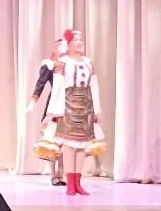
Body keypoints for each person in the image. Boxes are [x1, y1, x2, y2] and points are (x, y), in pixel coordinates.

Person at [34, 29, 106, 196]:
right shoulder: (63, 62)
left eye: (81, 40)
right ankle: (70, 184)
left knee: (81, 146)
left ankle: (78, 183)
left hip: (85, 105)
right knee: (68, 146)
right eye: (76, 40)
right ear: (69, 44)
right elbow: (58, 88)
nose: (80, 43)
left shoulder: (88, 62)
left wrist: (96, 109)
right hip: (68, 105)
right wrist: (53, 112)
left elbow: (94, 86)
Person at [28, 35, 68, 186]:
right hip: (55, 104)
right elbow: (40, 84)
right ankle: (53, 174)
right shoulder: (49, 65)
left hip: (68, 104)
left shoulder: (70, 65)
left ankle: (61, 174)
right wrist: (32, 102)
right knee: (51, 141)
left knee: (64, 143)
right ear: (55, 48)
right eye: (60, 45)